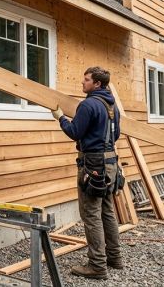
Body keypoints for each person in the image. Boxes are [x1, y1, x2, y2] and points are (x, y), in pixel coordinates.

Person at [52, 66, 122, 280]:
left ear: (97, 84)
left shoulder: (88, 104)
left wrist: (61, 118)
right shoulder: (112, 106)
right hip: (110, 164)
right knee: (108, 212)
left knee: (91, 215)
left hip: (92, 165)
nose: (82, 83)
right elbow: (116, 134)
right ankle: (114, 258)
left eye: (86, 80)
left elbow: (74, 132)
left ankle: (97, 266)